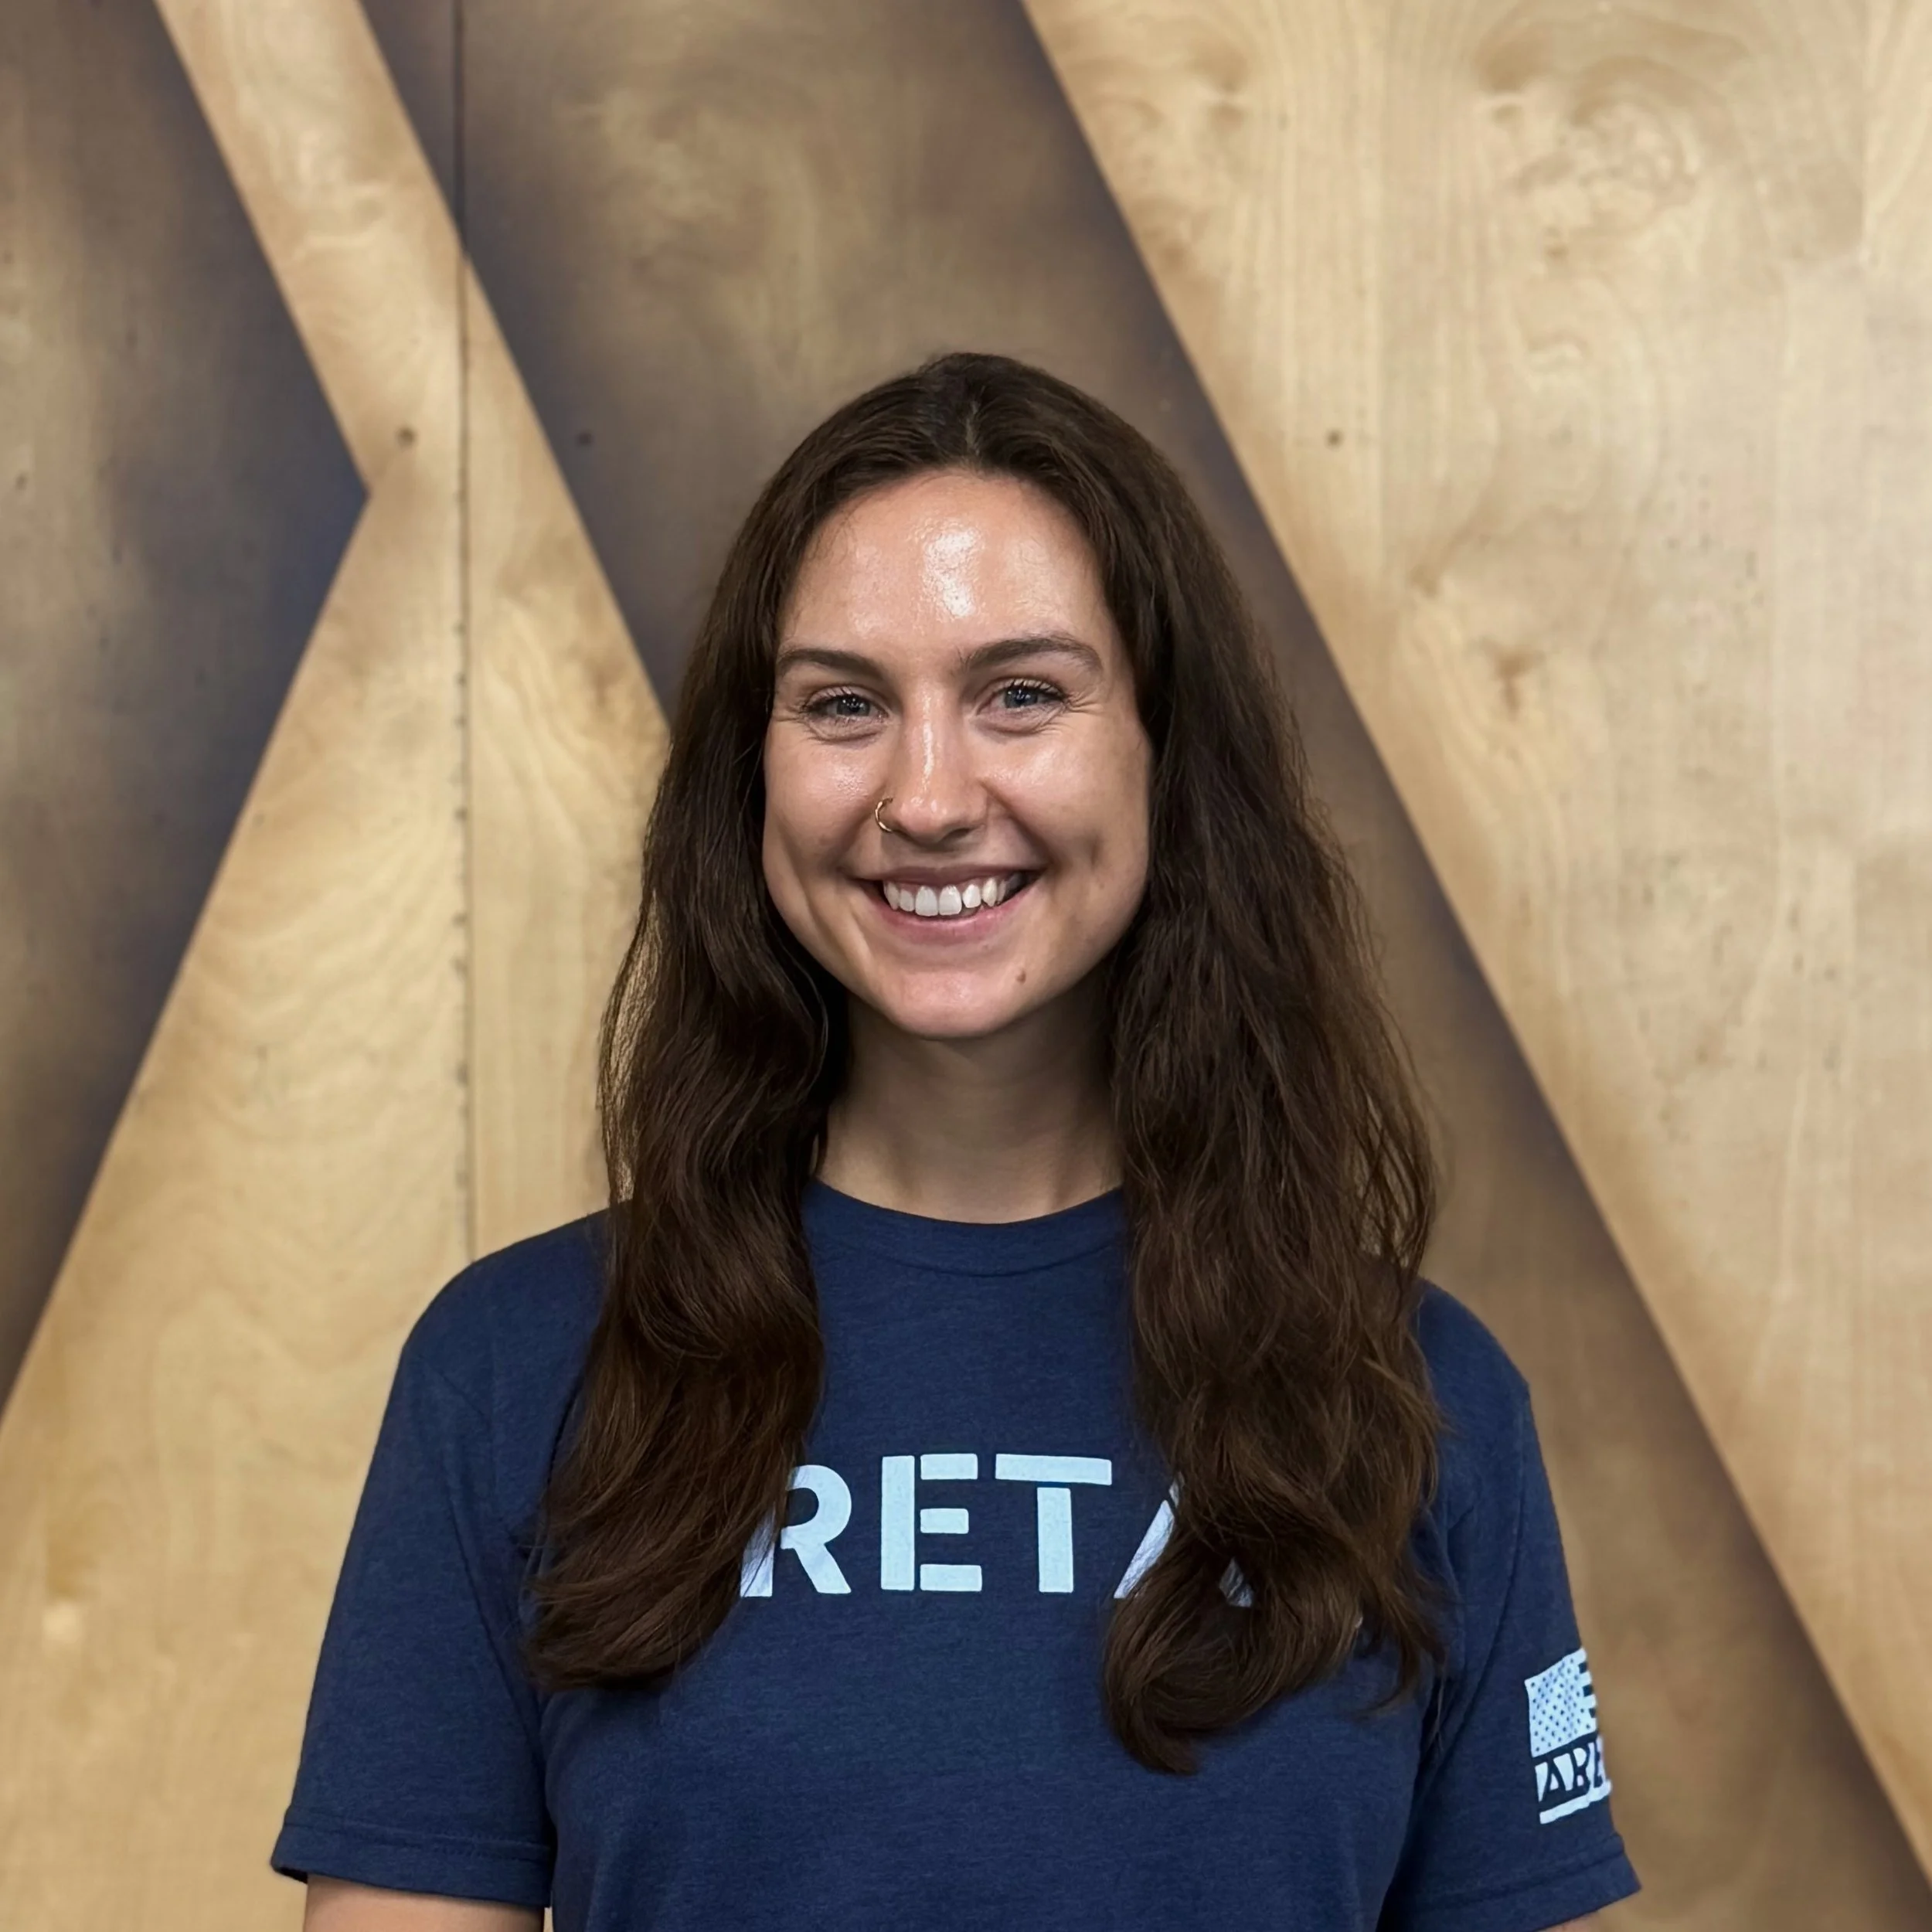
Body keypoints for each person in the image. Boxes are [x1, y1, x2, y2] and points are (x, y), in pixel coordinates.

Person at [273, 352, 1641, 1931]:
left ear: (1166, 752)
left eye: (1022, 694)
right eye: (844, 704)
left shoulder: (1415, 1396)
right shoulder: (514, 1371)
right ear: (752, 774)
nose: (926, 797)